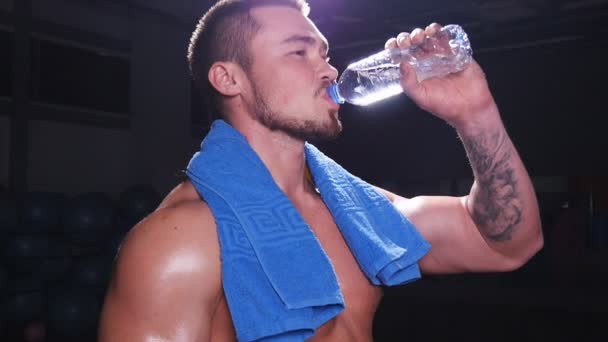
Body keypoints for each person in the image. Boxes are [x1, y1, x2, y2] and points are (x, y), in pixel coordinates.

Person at [98, 0, 544, 341]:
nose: (329, 69)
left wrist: (475, 113)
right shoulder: (176, 242)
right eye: (299, 52)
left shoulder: (356, 213)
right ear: (228, 79)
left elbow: (505, 245)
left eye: (324, 53)